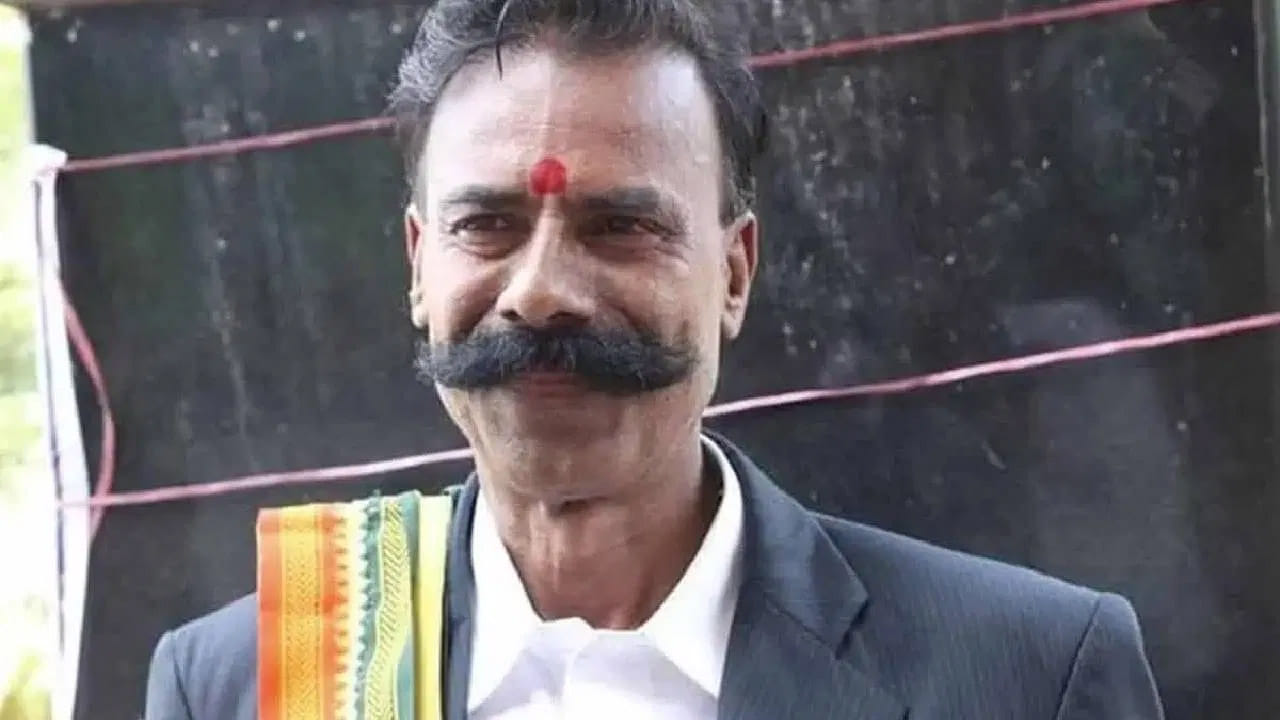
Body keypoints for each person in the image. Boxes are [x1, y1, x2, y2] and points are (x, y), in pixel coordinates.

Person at [143, 1, 1164, 718]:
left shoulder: (1027, 679)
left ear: (733, 274)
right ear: (419, 267)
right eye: (486, 225)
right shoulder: (249, 685)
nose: (540, 290)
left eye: (621, 226)